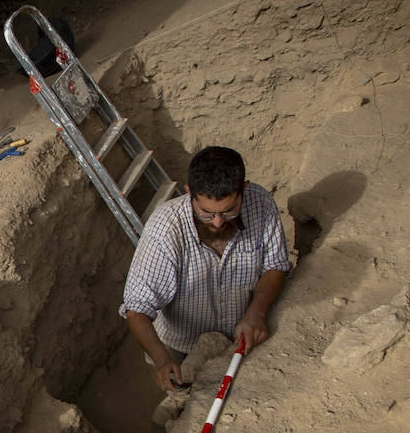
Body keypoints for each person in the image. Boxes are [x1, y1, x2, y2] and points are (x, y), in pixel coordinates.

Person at [120, 146, 290, 392]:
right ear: (190, 194)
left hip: (238, 336)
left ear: (244, 189)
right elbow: (137, 309)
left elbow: (275, 266)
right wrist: (160, 358)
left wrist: (256, 312)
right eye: (207, 213)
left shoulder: (261, 204)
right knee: (181, 396)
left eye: (229, 211)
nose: (218, 222)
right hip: (181, 344)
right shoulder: (165, 229)